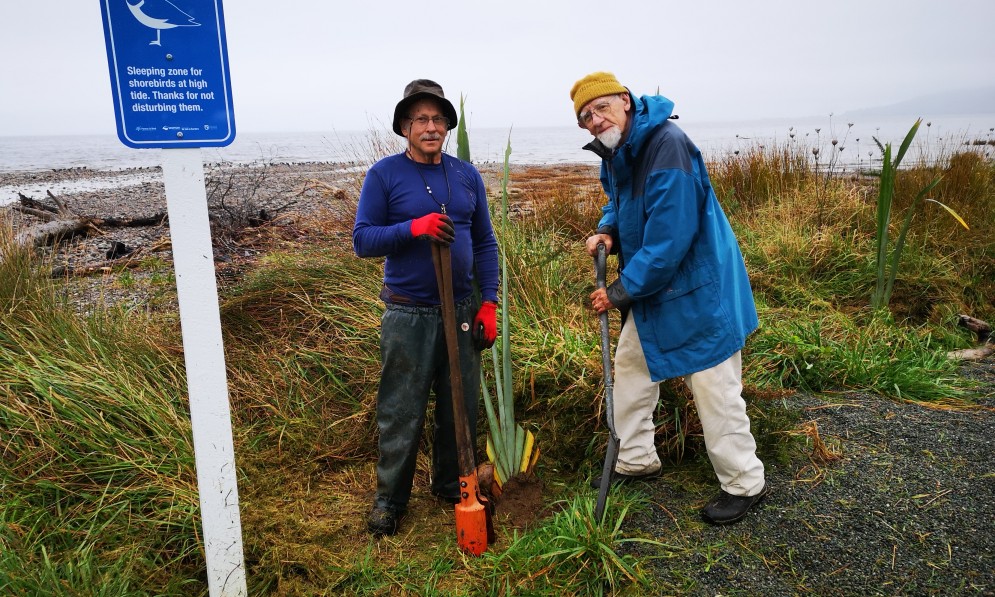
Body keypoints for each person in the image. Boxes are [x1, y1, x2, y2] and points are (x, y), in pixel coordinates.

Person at [571, 72, 769, 525]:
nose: (595, 120)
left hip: (698, 288)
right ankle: (636, 458)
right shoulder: (619, 149)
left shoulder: (666, 145)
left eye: (600, 108)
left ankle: (744, 483)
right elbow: (621, 203)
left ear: (624, 100)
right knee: (632, 368)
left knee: (715, 388)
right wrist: (607, 229)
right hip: (657, 291)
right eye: (585, 117)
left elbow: (669, 240)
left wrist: (617, 293)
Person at [353, 79, 500, 537]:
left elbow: (484, 243)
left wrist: (489, 302)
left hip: (461, 306)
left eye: (438, 119)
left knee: (460, 403)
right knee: (402, 408)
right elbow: (363, 240)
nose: (430, 126)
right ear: (405, 127)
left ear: (447, 127)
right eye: (421, 119)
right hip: (408, 312)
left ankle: (450, 483)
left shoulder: (464, 174)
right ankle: (389, 501)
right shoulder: (385, 175)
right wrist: (413, 227)